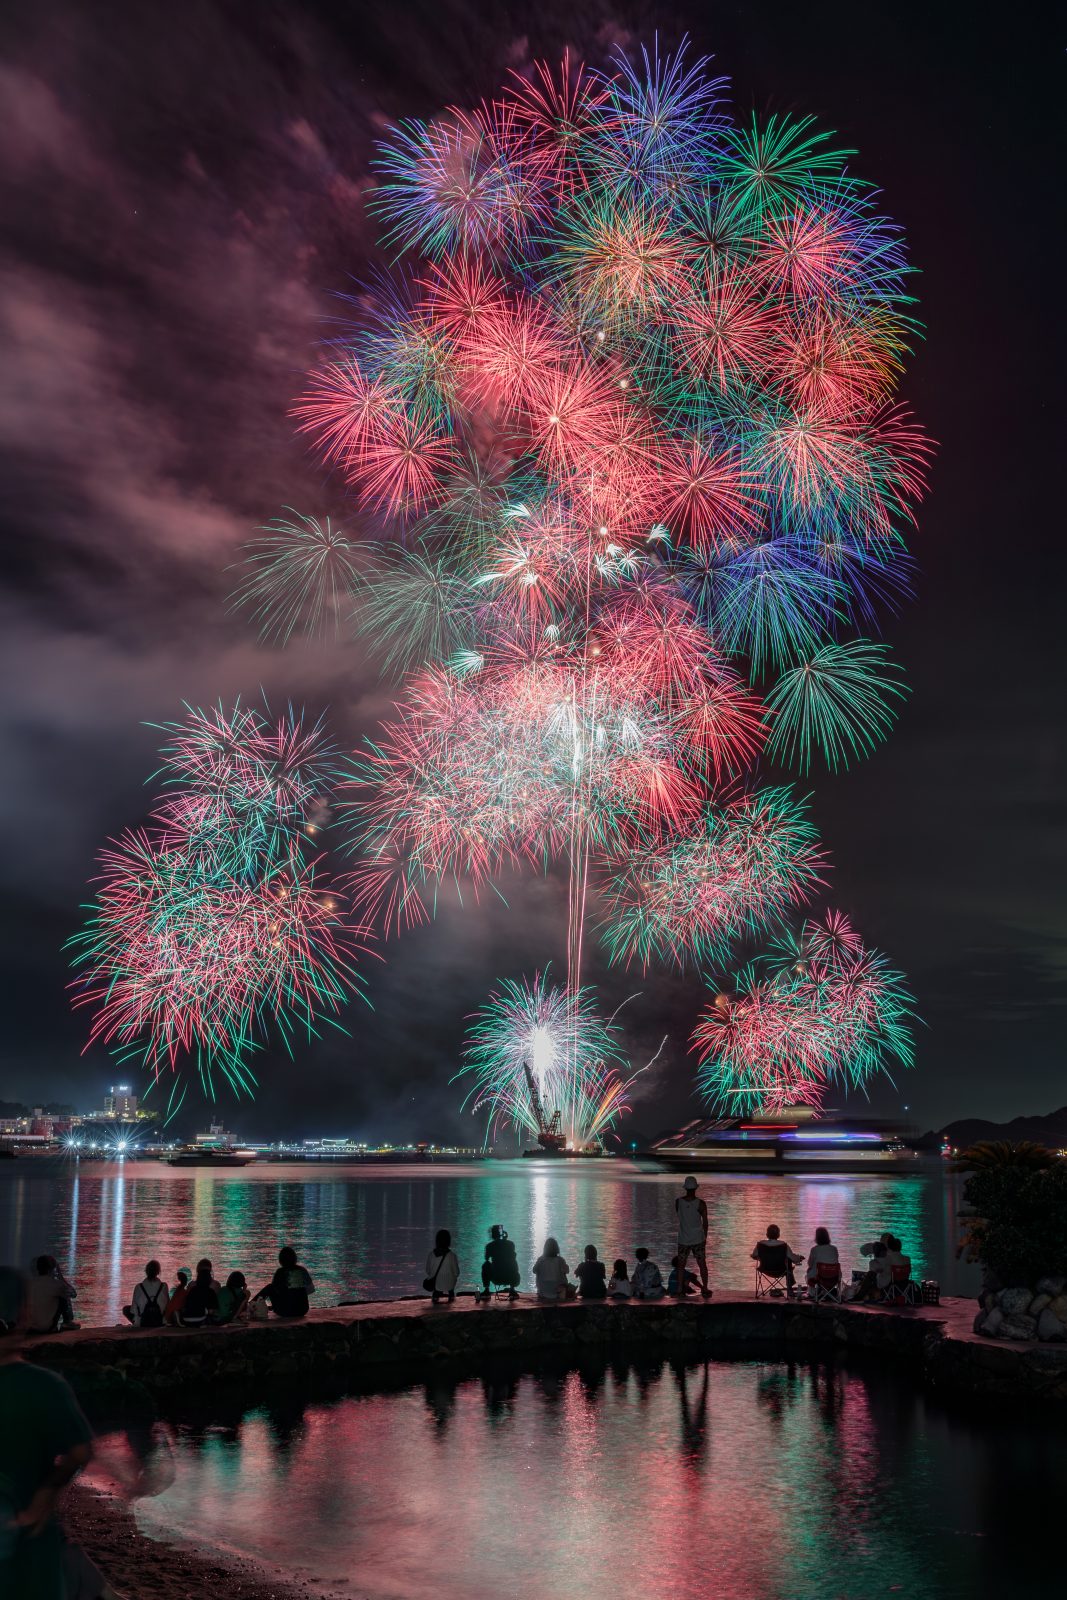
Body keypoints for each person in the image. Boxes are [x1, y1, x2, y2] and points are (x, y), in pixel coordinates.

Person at [0, 1267, 97, 1600]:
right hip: (29, 1545)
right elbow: (81, 1451)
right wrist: (47, 1493)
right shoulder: (44, 1386)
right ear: (24, 1315)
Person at [675, 1177, 712, 1298]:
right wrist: (705, 1237)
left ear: (685, 1188)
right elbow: (705, 1222)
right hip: (698, 1239)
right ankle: (705, 1288)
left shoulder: (678, 1202)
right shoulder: (701, 1204)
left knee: (681, 1265)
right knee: (702, 1264)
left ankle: (680, 1289)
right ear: (695, 1188)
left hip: (683, 1239)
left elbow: (679, 1215)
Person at [255, 1246, 317, 1317]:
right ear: (295, 1258)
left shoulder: (280, 1272)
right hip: (302, 1310)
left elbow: (276, 1290)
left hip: (284, 1311)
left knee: (270, 1287)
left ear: (281, 1260)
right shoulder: (302, 1270)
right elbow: (311, 1290)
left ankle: (251, 1304)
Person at [25, 1256, 80, 1334]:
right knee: (65, 1295)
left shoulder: (30, 1283)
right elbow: (73, 1294)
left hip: (32, 1327)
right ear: (53, 1268)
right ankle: (67, 1322)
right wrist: (60, 1276)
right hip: (46, 1328)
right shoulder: (56, 1284)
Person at [751, 1224, 803, 1295]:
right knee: (789, 1261)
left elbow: (754, 1256)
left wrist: (763, 1258)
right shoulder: (783, 1245)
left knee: (788, 1260)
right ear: (778, 1235)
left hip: (764, 1269)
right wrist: (799, 1258)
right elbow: (793, 1258)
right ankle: (790, 1289)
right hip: (781, 1270)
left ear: (767, 1234)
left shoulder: (760, 1245)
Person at [122, 1260, 169, 1328]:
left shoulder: (139, 1287)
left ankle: (138, 1324)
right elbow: (168, 1304)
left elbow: (134, 1308)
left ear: (146, 1271)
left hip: (143, 1322)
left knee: (126, 1309)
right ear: (158, 1272)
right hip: (160, 1321)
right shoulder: (164, 1286)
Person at [478, 1225, 519, 1301]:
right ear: (503, 1233)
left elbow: (486, 1258)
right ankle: (512, 1289)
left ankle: (487, 1290)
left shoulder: (490, 1246)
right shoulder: (511, 1244)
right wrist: (505, 1239)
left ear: (493, 1234)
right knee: (513, 1262)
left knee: (486, 1265)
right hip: (510, 1278)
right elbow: (513, 1257)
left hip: (496, 1277)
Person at [423, 1231, 459, 1305]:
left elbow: (428, 1271)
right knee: (453, 1277)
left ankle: (436, 1295)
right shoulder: (452, 1255)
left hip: (436, 1284)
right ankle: (451, 1294)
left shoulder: (431, 1255)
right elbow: (456, 1272)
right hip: (450, 1283)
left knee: (435, 1280)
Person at [532, 1237, 572, 1302]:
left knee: (538, 1271)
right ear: (557, 1249)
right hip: (558, 1292)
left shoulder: (541, 1259)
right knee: (563, 1274)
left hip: (542, 1292)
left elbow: (534, 1270)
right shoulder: (560, 1260)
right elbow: (567, 1271)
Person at [179, 1261, 218, 1325]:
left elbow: (186, 1302)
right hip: (200, 1318)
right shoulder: (212, 1289)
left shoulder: (192, 1288)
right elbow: (211, 1311)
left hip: (186, 1317)